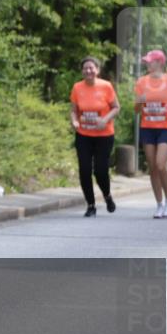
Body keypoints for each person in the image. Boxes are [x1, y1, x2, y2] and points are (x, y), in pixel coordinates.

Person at [134, 49, 167, 219]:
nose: (147, 63)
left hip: (166, 127)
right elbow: (136, 110)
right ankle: (159, 204)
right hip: (148, 127)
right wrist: (139, 103)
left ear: (160, 62)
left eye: (150, 61)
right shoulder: (141, 82)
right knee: (153, 168)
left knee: (160, 164)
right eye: (147, 61)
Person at [69, 57, 120, 216]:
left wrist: (104, 120)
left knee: (100, 170)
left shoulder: (106, 86)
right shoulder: (77, 87)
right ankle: (91, 205)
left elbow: (116, 107)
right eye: (85, 68)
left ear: (97, 70)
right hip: (84, 135)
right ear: (82, 71)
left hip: (104, 135)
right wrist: (74, 121)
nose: (88, 71)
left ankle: (107, 196)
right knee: (84, 170)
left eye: (91, 68)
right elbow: (73, 110)